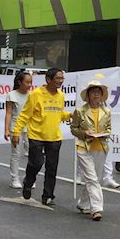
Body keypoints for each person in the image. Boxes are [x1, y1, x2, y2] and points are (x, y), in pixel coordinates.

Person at [14, 67, 73, 206]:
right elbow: (25, 115)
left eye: (62, 78)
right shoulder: (36, 94)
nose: (60, 81)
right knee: (36, 163)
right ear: (48, 79)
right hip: (36, 135)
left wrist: (70, 115)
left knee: (52, 168)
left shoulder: (61, 95)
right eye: (57, 78)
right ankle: (28, 182)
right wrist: (16, 132)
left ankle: (48, 195)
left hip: (54, 137)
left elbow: (59, 113)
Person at [71, 80, 112, 221]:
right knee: (92, 178)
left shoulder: (106, 112)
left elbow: (109, 128)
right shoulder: (80, 111)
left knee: (94, 179)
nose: (96, 95)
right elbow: (73, 129)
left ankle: (83, 203)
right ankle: (97, 209)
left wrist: (104, 133)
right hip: (84, 147)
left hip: (100, 147)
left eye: (98, 92)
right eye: (93, 92)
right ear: (88, 95)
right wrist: (84, 133)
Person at [4, 70, 34, 189]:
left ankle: (29, 178)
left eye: (31, 82)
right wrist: (6, 130)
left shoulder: (32, 95)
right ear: (19, 82)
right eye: (27, 82)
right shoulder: (11, 95)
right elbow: (9, 113)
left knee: (33, 155)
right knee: (16, 154)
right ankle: (15, 179)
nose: (29, 85)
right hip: (15, 128)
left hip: (30, 128)